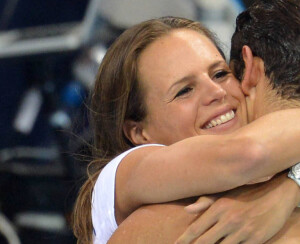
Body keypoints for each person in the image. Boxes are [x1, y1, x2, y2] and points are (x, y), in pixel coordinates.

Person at [72, 15, 300, 244]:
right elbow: (247, 153)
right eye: (184, 91)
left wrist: (290, 187)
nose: (217, 92)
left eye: (220, 74)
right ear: (139, 133)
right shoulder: (124, 171)